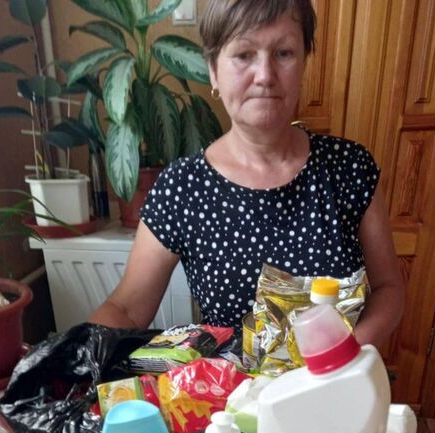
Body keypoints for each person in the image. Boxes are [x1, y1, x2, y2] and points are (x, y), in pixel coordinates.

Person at [88, 0, 405, 350]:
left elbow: (388, 288)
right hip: (230, 385)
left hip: (337, 376)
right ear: (213, 70)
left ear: (303, 63)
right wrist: (70, 355)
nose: (265, 75)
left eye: (284, 53)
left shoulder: (349, 168)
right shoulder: (182, 188)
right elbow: (127, 309)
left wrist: (344, 355)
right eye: (243, 55)